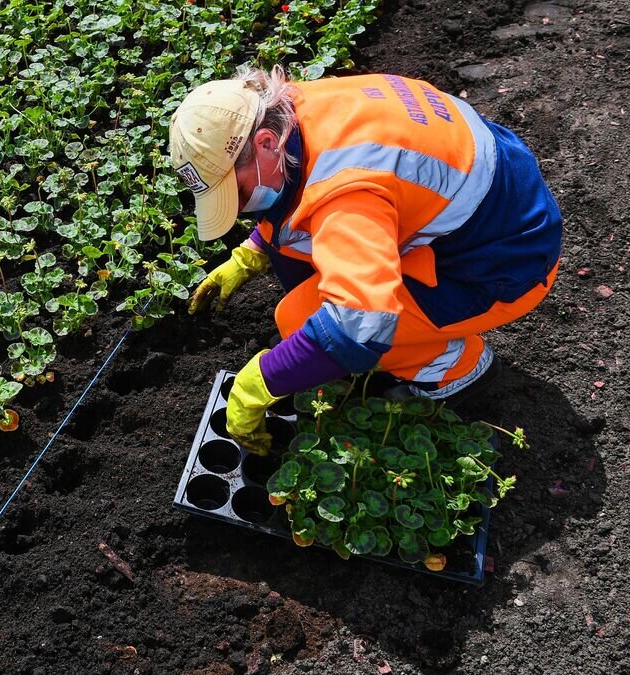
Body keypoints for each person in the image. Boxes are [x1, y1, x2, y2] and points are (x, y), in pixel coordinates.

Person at [169, 66, 562, 456]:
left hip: (503, 266)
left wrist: (262, 381)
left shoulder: (347, 191)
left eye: (236, 190)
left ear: (267, 141)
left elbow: (360, 324)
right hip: (493, 198)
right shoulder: (295, 106)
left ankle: (452, 368)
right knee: (305, 305)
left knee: (299, 319)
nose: (237, 207)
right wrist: (252, 251)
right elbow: (301, 189)